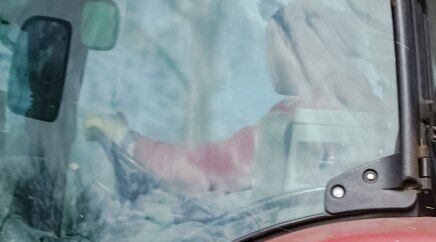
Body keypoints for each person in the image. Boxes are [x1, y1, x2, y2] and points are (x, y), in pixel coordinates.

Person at [83, 0, 385, 195]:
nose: (268, 60)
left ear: (297, 45)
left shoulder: (293, 119)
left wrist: (127, 140)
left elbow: (202, 170)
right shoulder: (370, 107)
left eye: (272, 39)